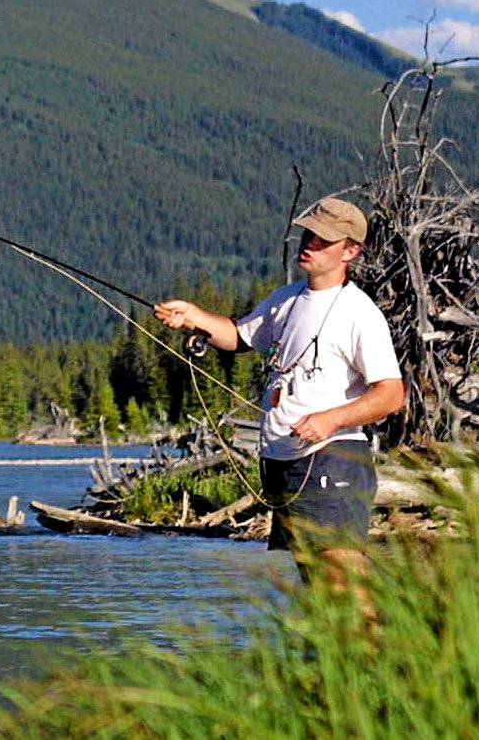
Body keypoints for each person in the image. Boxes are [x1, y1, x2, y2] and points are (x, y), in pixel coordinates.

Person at [153, 196, 404, 587]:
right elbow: (238, 336)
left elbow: (391, 394)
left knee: (342, 584)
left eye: (324, 239)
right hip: (284, 463)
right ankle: (336, 650)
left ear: (350, 251)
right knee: (317, 585)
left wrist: (329, 420)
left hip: (332, 461)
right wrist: (194, 318)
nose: (309, 243)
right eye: (309, 233)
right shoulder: (286, 299)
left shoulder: (360, 312)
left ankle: (378, 647)